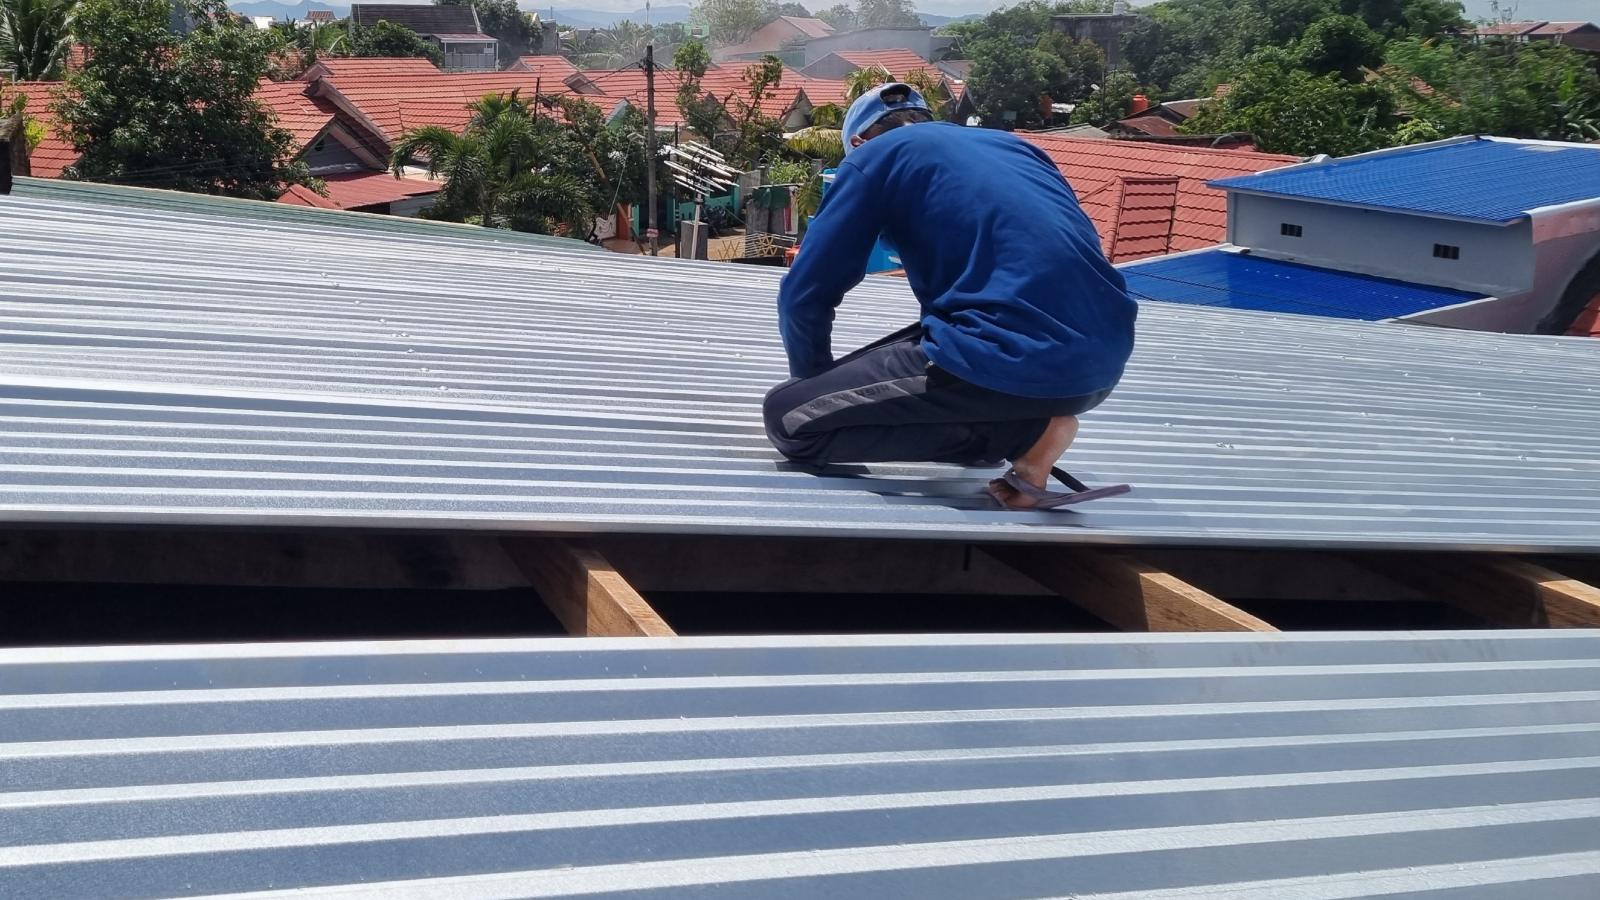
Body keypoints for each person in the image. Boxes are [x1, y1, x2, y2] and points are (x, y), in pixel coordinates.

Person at [762, 82, 1137, 509]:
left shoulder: (874, 157)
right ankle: (1022, 429)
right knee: (934, 345)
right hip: (1099, 368)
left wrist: (811, 383)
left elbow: (806, 292)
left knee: (790, 419)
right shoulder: (1015, 147)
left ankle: (1027, 434)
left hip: (1011, 356)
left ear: (859, 142)